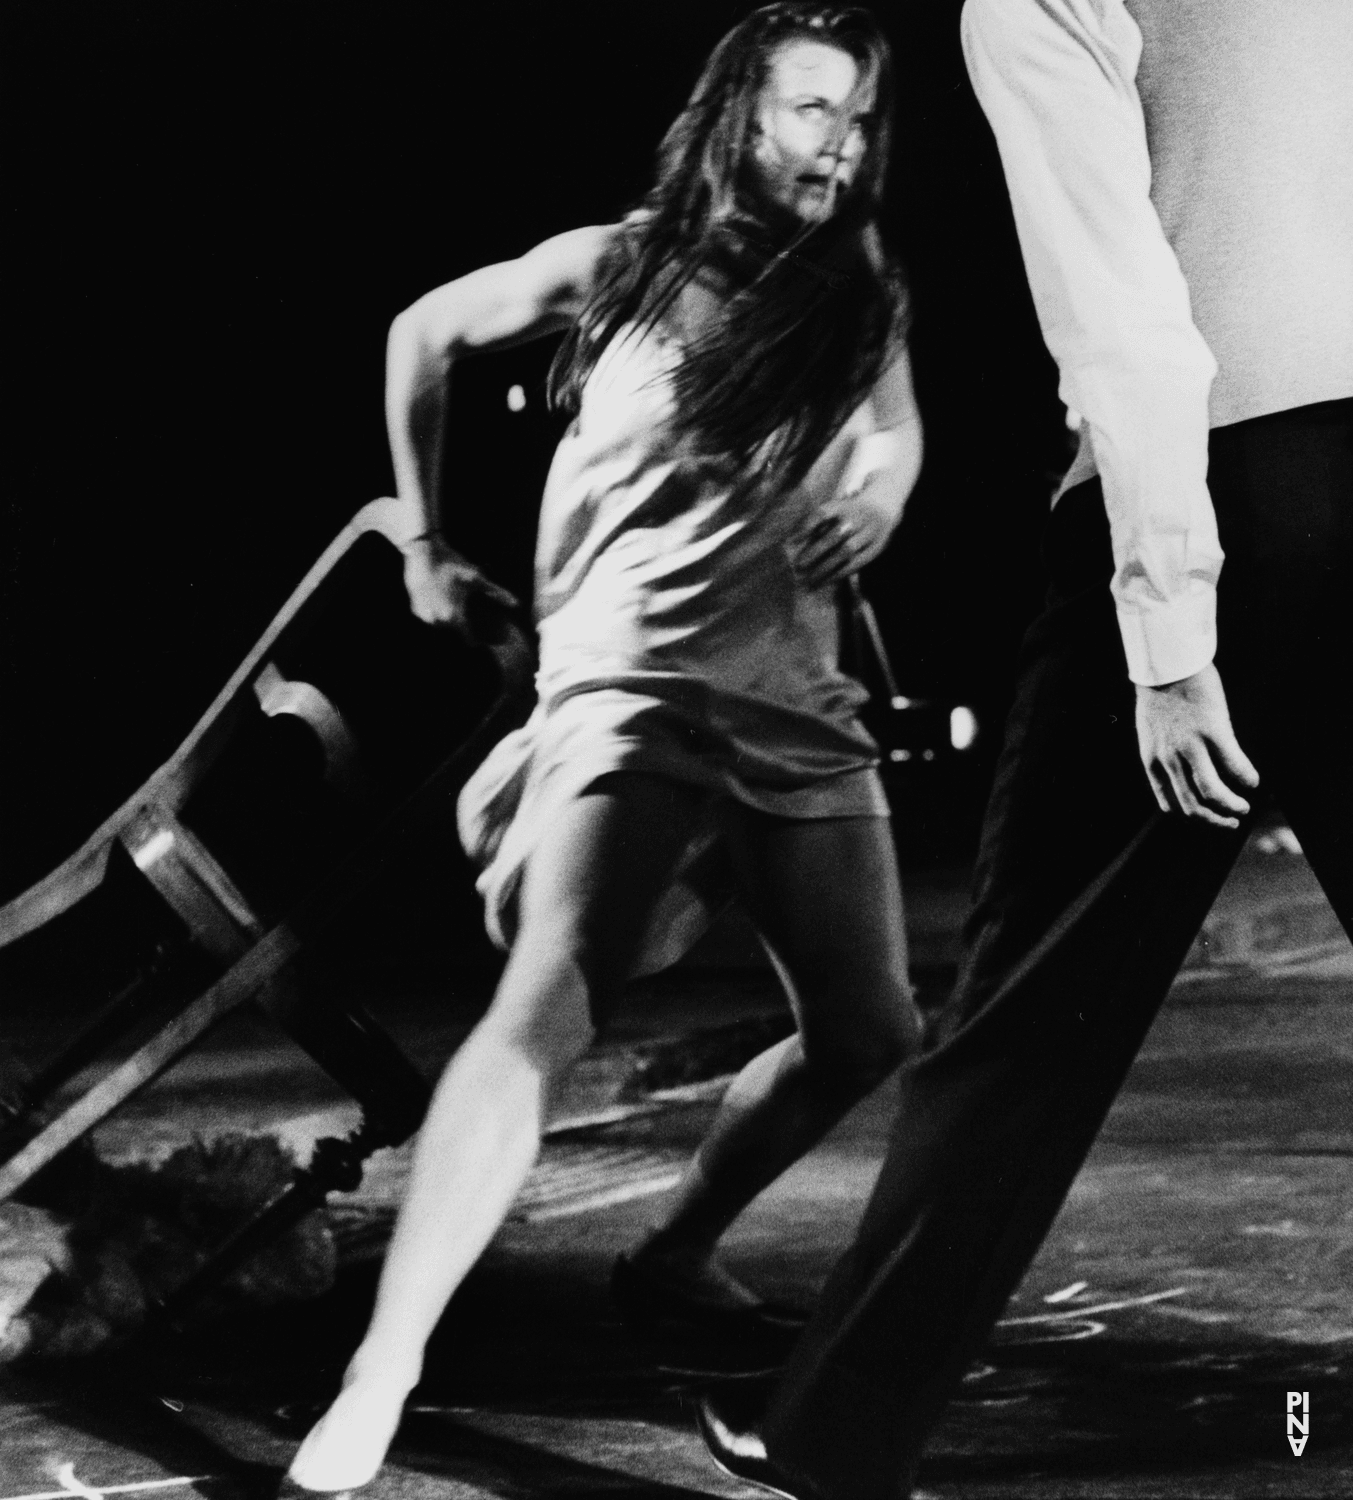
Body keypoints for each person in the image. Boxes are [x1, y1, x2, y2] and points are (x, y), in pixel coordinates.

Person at [696, 0, 1353, 1496]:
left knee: (1025, 1011)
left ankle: (837, 1431)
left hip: (1229, 480)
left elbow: (1124, 317)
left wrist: (1171, 637)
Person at [282, 5, 926, 1493]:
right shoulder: (625, 261)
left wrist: (883, 487)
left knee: (871, 1029)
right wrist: (428, 546)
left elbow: (896, 431)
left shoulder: (859, 287)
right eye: (807, 113)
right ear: (736, 120)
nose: (837, 147)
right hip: (629, 677)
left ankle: (678, 1251)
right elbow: (423, 334)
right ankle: (385, 1366)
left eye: (858, 121)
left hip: (792, 691)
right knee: (550, 998)